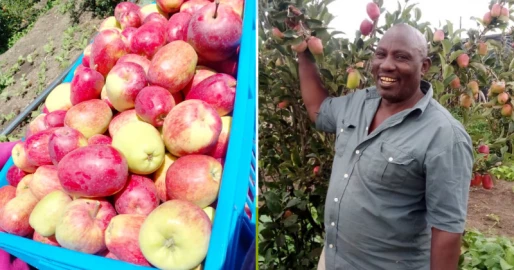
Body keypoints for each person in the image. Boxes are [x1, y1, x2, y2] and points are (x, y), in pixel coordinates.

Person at [297, 23, 474, 270]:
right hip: (335, 260)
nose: (387, 64)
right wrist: (303, 52)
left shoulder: (444, 135)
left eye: (401, 57)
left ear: (424, 66)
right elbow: (319, 110)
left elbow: (447, 230)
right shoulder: (358, 102)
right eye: (381, 54)